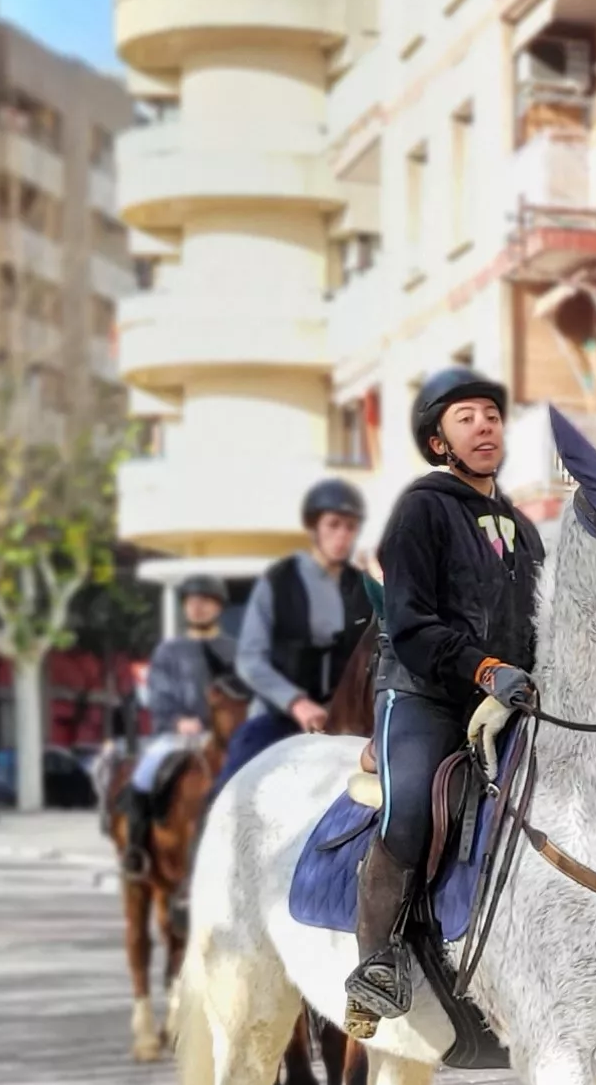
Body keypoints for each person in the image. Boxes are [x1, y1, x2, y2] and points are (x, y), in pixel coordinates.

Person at [341, 365, 542, 1038]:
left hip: (507, 692)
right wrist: (485, 670)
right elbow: (411, 622)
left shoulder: (520, 526)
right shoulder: (421, 510)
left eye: (491, 413)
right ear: (438, 444)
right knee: (411, 813)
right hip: (423, 692)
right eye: (465, 417)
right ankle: (376, 962)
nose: (484, 424)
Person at [215, 477, 375, 797]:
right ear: (314, 527)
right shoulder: (278, 581)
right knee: (231, 786)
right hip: (279, 718)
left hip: (345, 723)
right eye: (334, 525)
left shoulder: (362, 587)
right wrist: (297, 703)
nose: (342, 536)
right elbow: (250, 659)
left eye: (350, 527)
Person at [119, 574, 237, 877]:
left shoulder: (234, 651)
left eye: (205, 602)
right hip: (176, 735)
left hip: (225, 736)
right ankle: (136, 849)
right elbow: (157, 693)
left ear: (218, 607)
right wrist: (177, 720)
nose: (198, 608)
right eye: (192, 602)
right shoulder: (168, 651)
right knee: (143, 777)